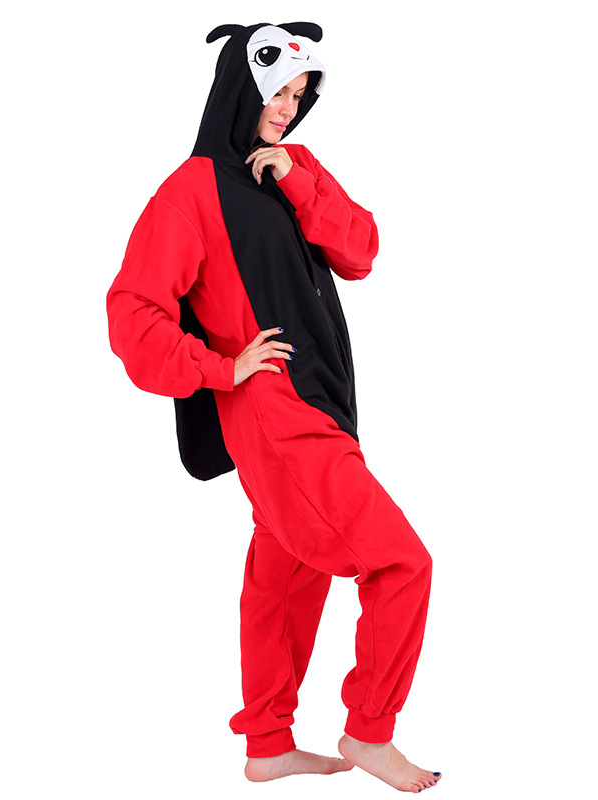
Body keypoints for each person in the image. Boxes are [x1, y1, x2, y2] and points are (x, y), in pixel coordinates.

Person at [106, 22, 441, 793]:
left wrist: (297, 180)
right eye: (275, 93)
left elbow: (361, 251)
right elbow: (132, 310)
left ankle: (267, 744)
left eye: (298, 95)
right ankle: (369, 732)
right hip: (279, 420)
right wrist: (219, 367)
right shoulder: (191, 191)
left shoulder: (294, 166)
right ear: (240, 88)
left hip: (324, 409)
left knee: (284, 580)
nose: (287, 109)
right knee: (401, 563)